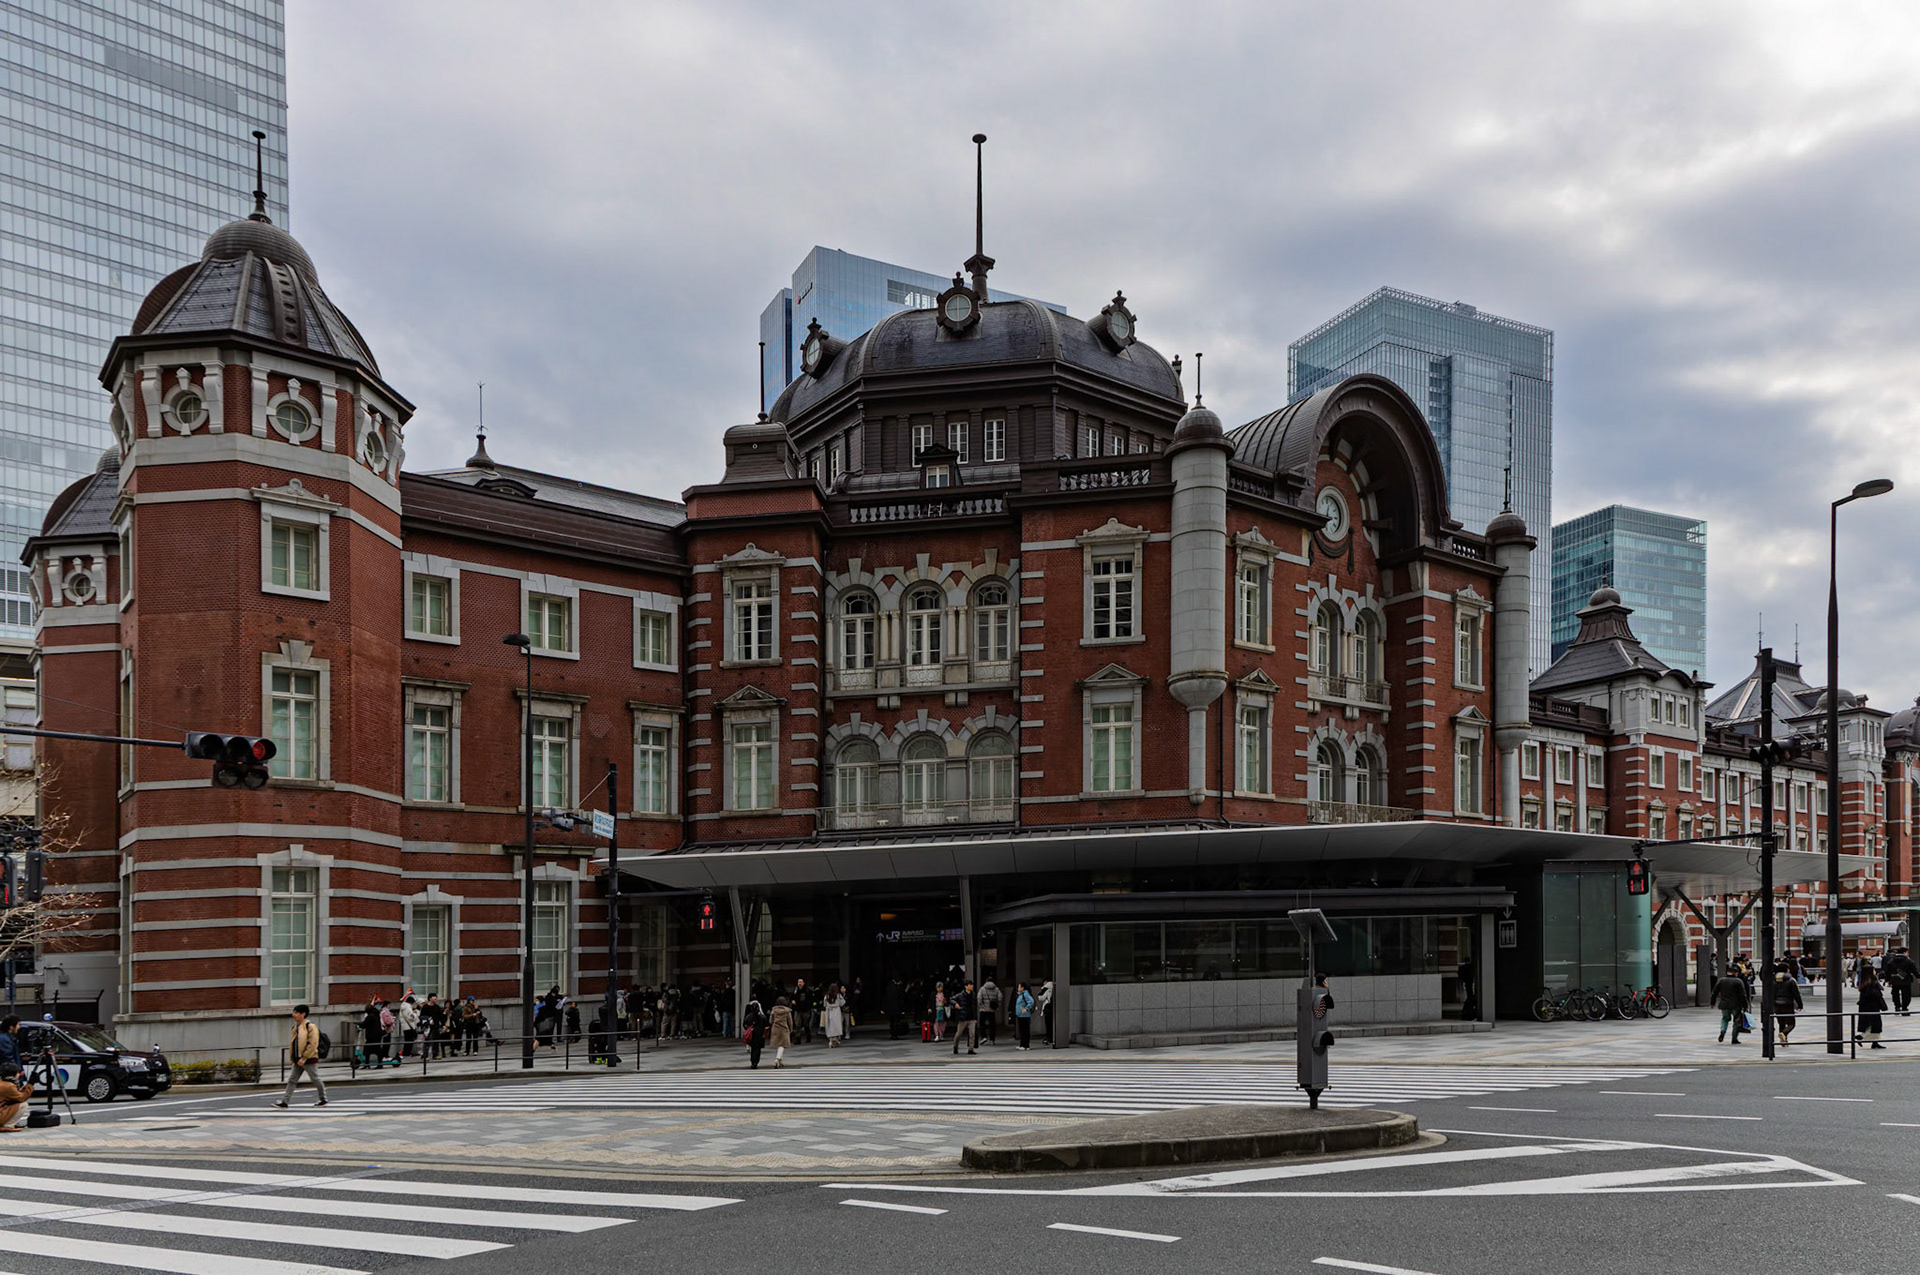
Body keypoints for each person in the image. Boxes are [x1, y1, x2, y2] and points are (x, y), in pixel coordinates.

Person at [275, 1004, 329, 1108]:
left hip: (309, 1059)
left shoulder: (310, 1026)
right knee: (292, 1080)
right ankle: (285, 1102)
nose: (293, 1015)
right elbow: (294, 1044)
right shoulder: (295, 1027)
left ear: (303, 1014)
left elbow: (313, 1044)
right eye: (294, 1012)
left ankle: (323, 1099)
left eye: (296, 1013)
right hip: (297, 1059)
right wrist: (293, 1058)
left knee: (315, 1079)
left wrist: (304, 1058)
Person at [1712, 967, 1751, 1045]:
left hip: (1724, 1004)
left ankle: (1723, 1031)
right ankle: (1734, 1038)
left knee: (1725, 1019)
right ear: (1735, 973)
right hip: (1736, 1005)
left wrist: (1712, 1003)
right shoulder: (1738, 981)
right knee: (1736, 1021)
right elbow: (1742, 995)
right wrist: (1746, 1005)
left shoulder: (1721, 980)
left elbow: (1714, 992)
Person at [1770, 969, 1803, 1047]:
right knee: (1791, 1024)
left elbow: (1771, 993)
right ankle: (1784, 1034)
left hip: (1777, 1005)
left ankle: (1784, 1041)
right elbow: (1796, 994)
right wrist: (1800, 1004)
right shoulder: (1791, 981)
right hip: (1788, 1005)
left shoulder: (1774, 981)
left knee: (1781, 1023)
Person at [1858, 966, 1888, 1049]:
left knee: (1875, 1025)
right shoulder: (1870, 982)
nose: (1875, 971)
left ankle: (1875, 1043)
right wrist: (1878, 993)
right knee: (1874, 1025)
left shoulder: (1865, 981)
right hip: (1871, 1006)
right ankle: (1860, 1037)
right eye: (1874, 970)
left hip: (1869, 1006)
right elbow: (1871, 994)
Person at [0, 1064, 32, 1132]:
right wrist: (30, 1084)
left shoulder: (3, 1082)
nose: (19, 1075)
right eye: (18, 1073)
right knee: (23, 1105)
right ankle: (7, 1126)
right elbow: (22, 1098)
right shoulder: (9, 1086)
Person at [1885, 948, 1917, 1015]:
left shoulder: (1891, 961)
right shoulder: (1909, 961)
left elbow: (1887, 971)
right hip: (1906, 980)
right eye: (1907, 952)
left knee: (1895, 994)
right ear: (1904, 952)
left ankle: (1897, 1007)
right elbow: (1914, 970)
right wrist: (1918, 977)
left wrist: (1887, 979)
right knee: (1906, 995)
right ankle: (1904, 1008)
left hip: (1894, 980)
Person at [950, 981, 978, 1056]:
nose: (971, 986)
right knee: (959, 1034)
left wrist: (975, 1017)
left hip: (971, 1017)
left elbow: (975, 1006)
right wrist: (955, 1004)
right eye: (970, 985)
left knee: (972, 1034)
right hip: (963, 1017)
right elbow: (952, 999)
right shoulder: (960, 995)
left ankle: (971, 1049)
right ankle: (955, 1046)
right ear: (966, 986)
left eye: (972, 985)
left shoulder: (973, 994)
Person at [360, 996, 387, 1066]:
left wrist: (359, 1025)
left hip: (371, 1036)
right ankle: (379, 1064)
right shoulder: (376, 1015)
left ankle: (367, 1064)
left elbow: (365, 1024)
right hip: (377, 1035)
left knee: (368, 1050)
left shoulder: (370, 1016)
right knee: (377, 1050)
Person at [768, 996, 794, 1068]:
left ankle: (780, 1061)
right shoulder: (787, 1011)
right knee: (782, 1044)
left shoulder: (774, 1010)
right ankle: (777, 1059)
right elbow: (790, 1021)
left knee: (779, 1044)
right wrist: (791, 1029)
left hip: (775, 1028)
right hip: (784, 1029)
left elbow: (770, 1020)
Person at [743, 998, 769, 1069]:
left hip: (752, 1035)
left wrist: (748, 1029)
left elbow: (744, 1024)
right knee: (758, 1049)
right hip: (760, 1035)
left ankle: (752, 1061)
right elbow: (766, 1026)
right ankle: (756, 1062)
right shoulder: (762, 1017)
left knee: (753, 1049)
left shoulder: (748, 1017)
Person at [977, 975, 1002, 1046]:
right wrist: (997, 1005)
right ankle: (992, 1039)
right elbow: (1000, 997)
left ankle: (984, 1037)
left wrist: (981, 1006)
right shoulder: (996, 989)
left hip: (983, 1009)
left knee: (982, 1024)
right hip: (992, 1010)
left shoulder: (982, 989)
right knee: (992, 1025)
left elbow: (979, 998)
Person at [823, 983, 847, 1048]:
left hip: (828, 1011)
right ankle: (836, 1038)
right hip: (836, 1011)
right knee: (836, 1025)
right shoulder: (838, 995)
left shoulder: (826, 996)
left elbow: (824, 1004)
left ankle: (831, 1039)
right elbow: (842, 1003)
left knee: (829, 1025)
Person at [1014, 981, 1035, 1050]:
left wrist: (1026, 1008)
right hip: (1020, 1015)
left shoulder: (1025, 994)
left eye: (1019, 987)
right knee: (1022, 1030)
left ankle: (1025, 1045)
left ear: (1022, 988)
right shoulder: (1020, 994)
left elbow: (1031, 1001)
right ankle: (1022, 1044)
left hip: (1024, 1015)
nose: (1018, 988)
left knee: (1025, 1030)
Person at [884, 974, 906, 1040]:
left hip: (891, 1008)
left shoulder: (889, 987)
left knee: (892, 1021)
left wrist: (884, 1008)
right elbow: (902, 999)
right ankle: (895, 1034)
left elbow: (886, 998)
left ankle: (892, 1034)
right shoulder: (900, 987)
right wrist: (903, 1009)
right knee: (896, 1021)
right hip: (897, 1008)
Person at [1038, 980, 1055, 1047]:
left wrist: (1042, 989)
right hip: (1053, 1007)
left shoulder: (1046, 987)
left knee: (1048, 1024)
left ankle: (1049, 1037)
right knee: (1052, 1024)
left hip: (1047, 1007)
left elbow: (1041, 998)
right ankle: (1052, 1037)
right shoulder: (1054, 986)